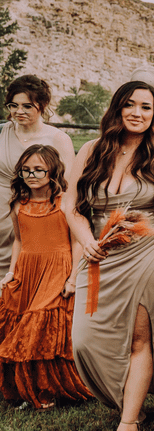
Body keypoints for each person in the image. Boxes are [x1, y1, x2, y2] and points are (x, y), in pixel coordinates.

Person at [65, 81, 154, 431]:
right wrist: (86, 240)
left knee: (139, 338)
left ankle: (129, 423)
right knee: (84, 341)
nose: (137, 113)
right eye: (129, 105)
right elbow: (70, 205)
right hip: (101, 252)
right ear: (117, 108)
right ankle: (127, 397)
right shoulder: (92, 150)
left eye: (146, 107)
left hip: (151, 251)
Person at [0, 145, 92, 408]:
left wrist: (73, 278)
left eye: (38, 169)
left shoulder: (65, 203)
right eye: (26, 170)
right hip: (27, 270)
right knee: (19, 325)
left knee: (41, 326)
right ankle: (26, 386)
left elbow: (76, 243)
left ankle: (48, 389)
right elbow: (19, 241)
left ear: (52, 171)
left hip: (57, 269)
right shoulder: (18, 204)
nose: (31, 175)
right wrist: (11, 272)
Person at [1, 75, 77, 277]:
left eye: (27, 106)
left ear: (42, 105)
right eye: (13, 105)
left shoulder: (58, 139)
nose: (19, 111)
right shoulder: (2, 132)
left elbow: (67, 188)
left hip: (37, 218)